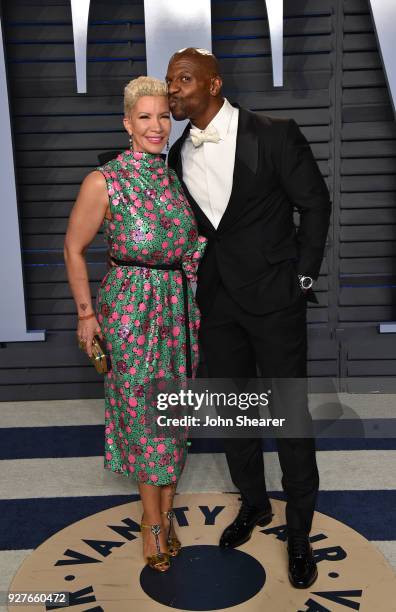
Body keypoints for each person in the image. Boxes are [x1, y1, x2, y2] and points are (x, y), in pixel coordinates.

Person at [166, 48, 331, 588]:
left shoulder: (274, 133)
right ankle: (255, 505)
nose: (174, 89)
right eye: (169, 81)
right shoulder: (174, 155)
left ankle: (300, 533)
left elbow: (316, 203)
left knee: (289, 413)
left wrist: (302, 278)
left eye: (183, 79)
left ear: (214, 85)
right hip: (217, 301)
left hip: (276, 298)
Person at [64, 76, 206, 573]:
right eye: (144, 117)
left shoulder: (173, 179)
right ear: (127, 124)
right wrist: (87, 316)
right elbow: (73, 249)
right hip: (130, 311)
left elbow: (193, 247)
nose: (156, 126)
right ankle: (151, 523)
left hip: (177, 311)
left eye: (164, 116)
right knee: (146, 419)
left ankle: (166, 512)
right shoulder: (104, 181)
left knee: (172, 416)